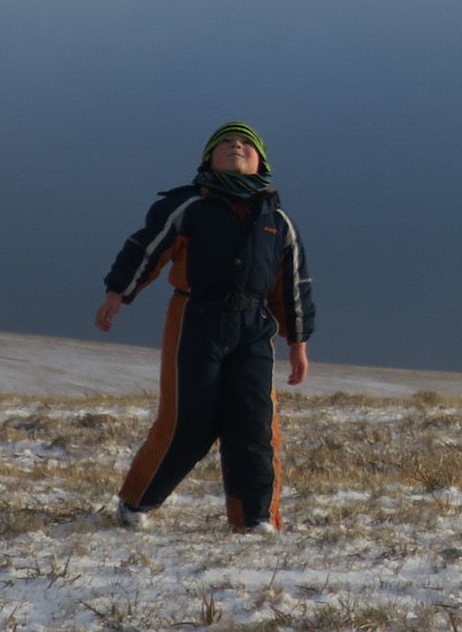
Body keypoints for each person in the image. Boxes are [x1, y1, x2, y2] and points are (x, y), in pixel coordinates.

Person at [94, 122, 315, 531]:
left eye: (246, 144)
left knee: (254, 423)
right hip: (196, 319)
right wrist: (117, 294)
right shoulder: (189, 206)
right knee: (187, 420)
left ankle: (255, 520)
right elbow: (146, 248)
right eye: (225, 143)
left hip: (254, 328)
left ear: (261, 161)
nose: (236, 146)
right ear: (209, 158)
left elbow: (293, 285)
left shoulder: (278, 221)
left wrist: (298, 342)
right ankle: (136, 502)